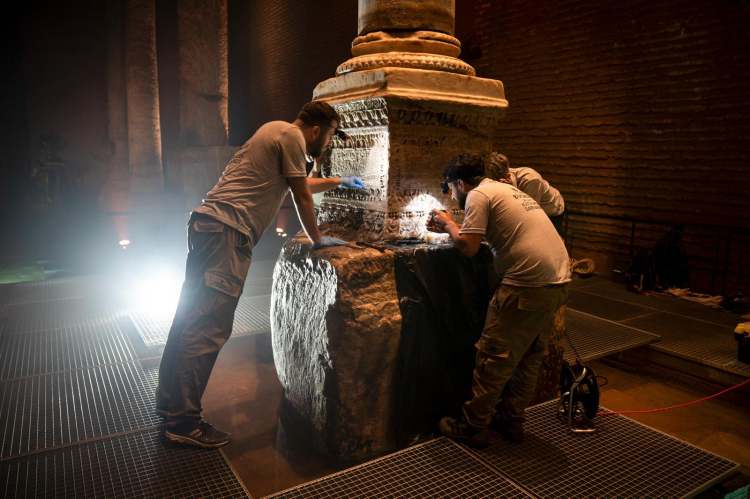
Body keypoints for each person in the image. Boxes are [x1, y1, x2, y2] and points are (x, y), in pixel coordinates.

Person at [156, 101, 365, 448]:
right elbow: (300, 195)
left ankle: (169, 405)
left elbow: (299, 183)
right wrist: (317, 239)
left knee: (188, 320)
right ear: (317, 130)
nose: (329, 144)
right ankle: (183, 422)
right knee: (207, 328)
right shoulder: (293, 137)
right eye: (330, 137)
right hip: (228, 234)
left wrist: (340, 181)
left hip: (208, 226)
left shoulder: (275, 130)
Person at [427, 152, 570, 448]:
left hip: (526, 284)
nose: (451, 196)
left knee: (494, 358)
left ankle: (473, 426)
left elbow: (468, 248)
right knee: (529, 358)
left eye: (449, 188)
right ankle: (511, 420)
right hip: (557, 281)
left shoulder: (478, 195)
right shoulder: (505, 190)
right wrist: (454, 227)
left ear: (460, 183)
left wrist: (449, 224)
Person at [486, 152, 565, 233]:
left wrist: (508, 190)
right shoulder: (500, 174)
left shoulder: (530, 180)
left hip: (552, 210)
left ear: (507, 176)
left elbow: (529, 216)